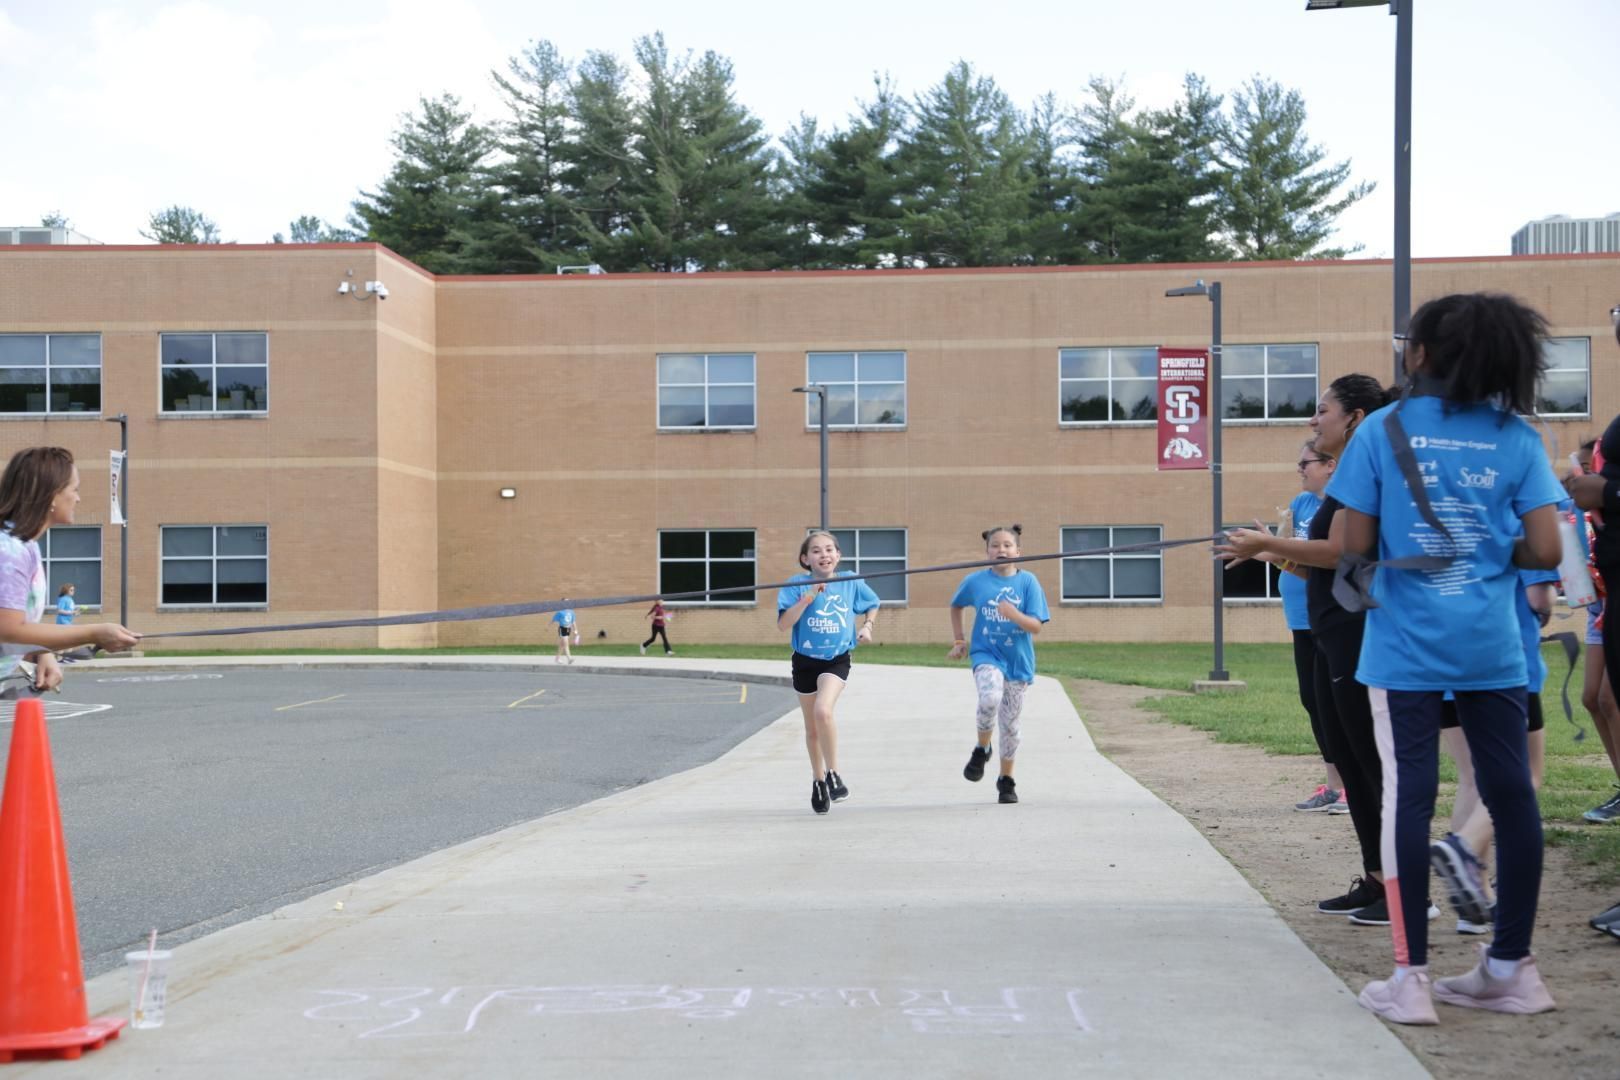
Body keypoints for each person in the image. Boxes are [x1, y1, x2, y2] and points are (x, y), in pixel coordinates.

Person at [1331, 292, 1562, 1024]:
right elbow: (1546, 550)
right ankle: (1512, 969)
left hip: (1406, 645)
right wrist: (1486, 547)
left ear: (1421, 353)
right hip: (1492, 644)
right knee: (1511, 794)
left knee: (1409, 795)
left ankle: (1411, 980)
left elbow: (1353, 545)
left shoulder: (1383, 429)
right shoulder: (1517, 436)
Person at [1219, 378, 1414, 928]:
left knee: (1370, 763)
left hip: (1358, 632)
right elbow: (1323, 565)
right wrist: (1271, 555)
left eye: (1322, 410)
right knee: (1347, 759)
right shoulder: (1346, 477)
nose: (1312, 420)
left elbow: (1342, 552)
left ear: (1355, 418)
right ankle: (1377, 879)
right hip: (1332, 633)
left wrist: (1269, 543)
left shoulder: (1364, 470)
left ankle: (1405, 890)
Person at [1430, 567, 1558, 936]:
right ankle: (1465, 846)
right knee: (1528, 774)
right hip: (1507, 663)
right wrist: (1548, 605)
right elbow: (1539, 595)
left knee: (1471, 778)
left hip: (1447, 661)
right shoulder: (1521, 528)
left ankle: (1477, 900)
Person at [0, 447, 140, 695]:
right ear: (52, 495)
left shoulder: (22, 544)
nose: (78, 498)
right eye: (74, 489)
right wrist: (94, 633)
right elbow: (8, 629)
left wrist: (41, 653)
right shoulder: (10, 550)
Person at [1569, 301, 1620, 933]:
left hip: (1608, 595)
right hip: (1602, 598)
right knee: (1595, 698)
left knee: (1605, 697)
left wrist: (1604, 492)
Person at [777, 531, 879, 815]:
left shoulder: (850, 581)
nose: (824, 554)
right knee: (812, 729)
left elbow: (872, 603)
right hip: (804, 661)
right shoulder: (795, 585)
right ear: (805, 559)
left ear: (838, 555)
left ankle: (834, 774)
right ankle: (818, 780)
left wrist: (867, 626)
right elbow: (783, 624)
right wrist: (807, 598)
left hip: (836, 659)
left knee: (823, 711)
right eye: (817, 550)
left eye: (829, 549)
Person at [947, 524, 1050, 805]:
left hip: (1018, 662)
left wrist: (1013, 614)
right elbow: (956, 605)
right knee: (990, 697)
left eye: (1007, 545)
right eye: (995, 545)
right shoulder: (976, 581)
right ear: (987, 552)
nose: (1001, 549)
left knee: (1010, 725)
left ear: (1018, 551)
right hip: (986, 654)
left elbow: (1036, 626)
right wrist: (960, 640)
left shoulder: (1028, 582)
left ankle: (1006, 780)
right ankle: (982, 749)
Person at [1278, 442, 1346, 814]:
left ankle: (1351, 785)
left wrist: (1277, 549)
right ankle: (1334, 785)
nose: (1299, 469)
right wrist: (1272, 550)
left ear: (1330, 465)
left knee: (1336, 703)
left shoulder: (1341, 505)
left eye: (1305, 463)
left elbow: (1327, 557)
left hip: (1329, 616)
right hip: (1300, 618)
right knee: (1313, 700)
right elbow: (1290, 557)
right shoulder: (1301, 504)